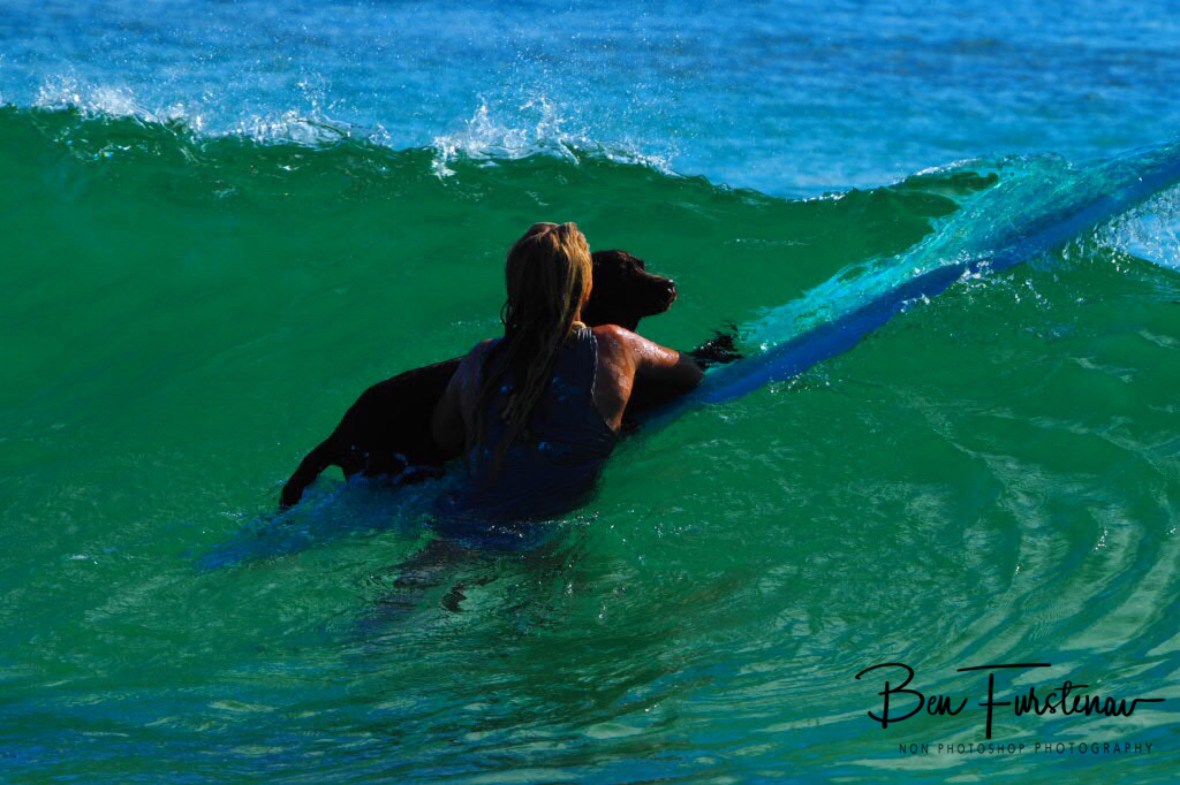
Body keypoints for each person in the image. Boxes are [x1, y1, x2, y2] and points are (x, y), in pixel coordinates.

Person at [431, 222, 703, 522]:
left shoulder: (478, 360)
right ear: (586, 287)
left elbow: (444, 437)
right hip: (545, 535)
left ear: (513, 284)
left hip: (458, 518)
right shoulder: (614, 345)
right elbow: (690, 373)